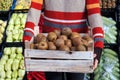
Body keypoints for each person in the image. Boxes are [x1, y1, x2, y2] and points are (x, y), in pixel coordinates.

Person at [23, 0, 104, 80]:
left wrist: (98, 45)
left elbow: (94, 14)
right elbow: (34, 10)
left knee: (75, 76)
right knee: (54, 77)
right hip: (50, 46)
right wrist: (27, 40)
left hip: (77, 47)